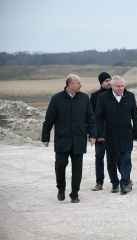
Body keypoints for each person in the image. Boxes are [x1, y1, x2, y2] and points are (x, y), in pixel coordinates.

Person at [42, 74, 96, 203]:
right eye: (78, 83)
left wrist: (93, 135)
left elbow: (90, 118)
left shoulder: (84, 98)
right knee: (60, 166)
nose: (81, 85)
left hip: (79, 139)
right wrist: (45, 137)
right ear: (70, 85)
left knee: (77, 169)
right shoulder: (56, 99)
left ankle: (75, 193)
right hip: (62, 139)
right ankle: (61, 189)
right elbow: (49, 119)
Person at [95, 75, 137, 194]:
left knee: (126, 159)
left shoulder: (130, 96)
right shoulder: (103, 97)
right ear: (112, 86)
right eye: (118, 86)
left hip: (126, 134)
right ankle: (114, 183)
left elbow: (135, 116)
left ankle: (124, 183)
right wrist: (98, 134)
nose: (121, 88)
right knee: (111, 161)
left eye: (122, 86)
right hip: (109, 135)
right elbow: (98, 118)